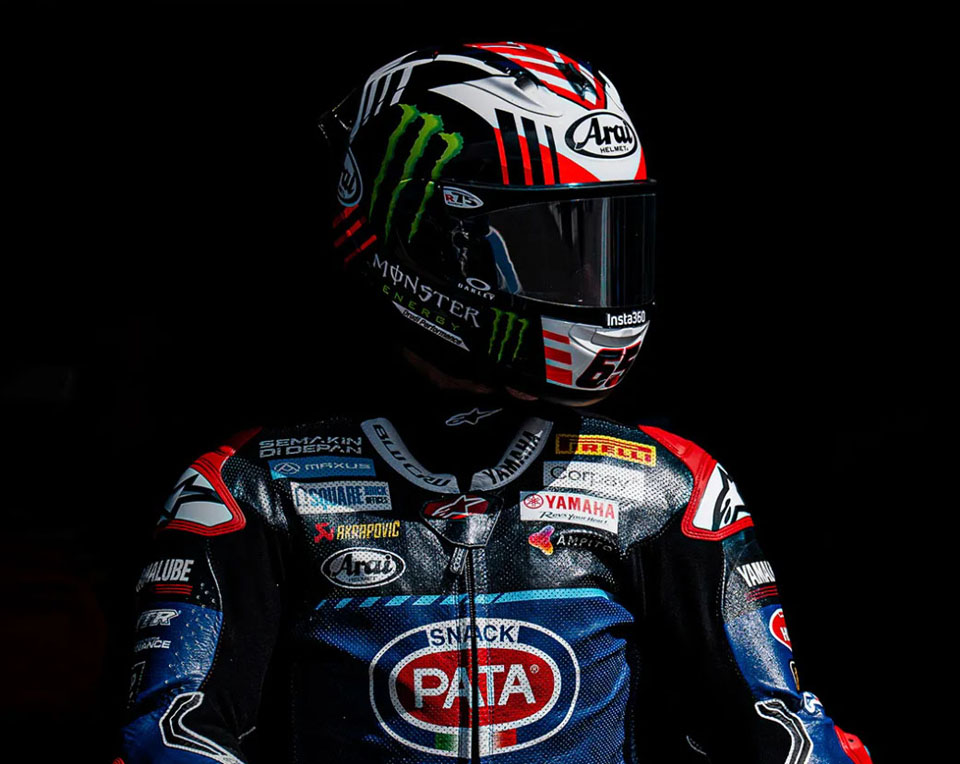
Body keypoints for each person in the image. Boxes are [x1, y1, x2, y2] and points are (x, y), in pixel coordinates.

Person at [115, 42, 872, 763]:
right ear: (429, 241)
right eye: (554, 246)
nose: (595, 280)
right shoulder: (249, 491)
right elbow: (171, 739)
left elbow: (783, 735)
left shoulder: (670, 489)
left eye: (609, 240)